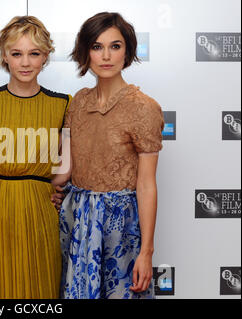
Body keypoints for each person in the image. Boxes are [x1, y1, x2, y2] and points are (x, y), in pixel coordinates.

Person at [52, 12, 164, 299]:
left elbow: (147, 185)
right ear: (85, 52)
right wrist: (9, 176)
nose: (106, 56)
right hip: (77, 220)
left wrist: (147, 252)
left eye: (115, 46)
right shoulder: (78, 102)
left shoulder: (144, 107)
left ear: (127, 51)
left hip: (121, 225)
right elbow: (64, 172)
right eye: (97, 46)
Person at [0, 16, 72, 299]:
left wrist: (53, 187)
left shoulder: (63, 104)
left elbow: (66, 164)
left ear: (46, 56)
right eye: (17, 53)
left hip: (39, 208)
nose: (25, 62)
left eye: (34, 53)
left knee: (38, 287)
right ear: (4, 56)